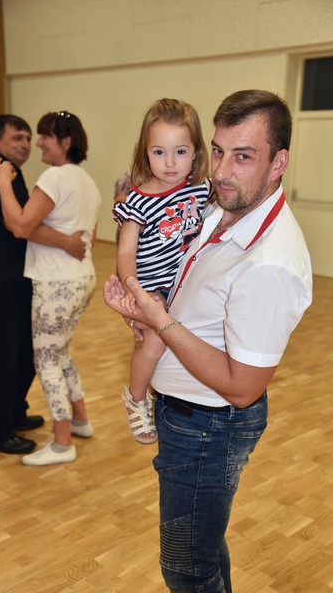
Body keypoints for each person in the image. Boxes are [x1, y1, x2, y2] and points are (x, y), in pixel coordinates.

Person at [104, 90, 313, 592]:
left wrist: (161, 322)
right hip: (186, 416)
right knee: (204, 551)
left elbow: (243, 388)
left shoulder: (270, 266)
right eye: (218, 151)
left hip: (209, 428)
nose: (220, 170)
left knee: (187, 570)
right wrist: (142, 311)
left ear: (278, 163)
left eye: (243, 156)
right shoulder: (224, 207)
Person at [0, 114, 86, 455]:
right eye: (16, 137)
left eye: (27, 137)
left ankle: (13, 412)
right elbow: (19, 226)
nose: (25, 144)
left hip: (14, 279)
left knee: (22, 352)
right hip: (0, 281)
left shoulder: (11, 174)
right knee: (4, 355)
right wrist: (66, 242)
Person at [0, 110, 101, 467]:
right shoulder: (87, 180)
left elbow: (20, 225)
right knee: (61, 353)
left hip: (56, 283)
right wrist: (62, 240)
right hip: (82, 278)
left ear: (65, 142)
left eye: (44, 136)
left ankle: (62, 442)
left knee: (47, 361)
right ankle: (80, 419)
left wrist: (3, 182)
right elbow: (90, 239)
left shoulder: (55, 176)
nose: (38, 143)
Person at [113, 98, 212, 444]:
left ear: (196, 153)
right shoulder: (138, 201)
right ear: (145, 153)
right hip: (153, 292)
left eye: (180, 152)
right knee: (154, 343)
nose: (170, 163)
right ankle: (136, 398)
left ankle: (161, 393)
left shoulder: (202, 189)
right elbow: (125, 252)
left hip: (186, 288)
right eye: (159, 152)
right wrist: (134, 291)